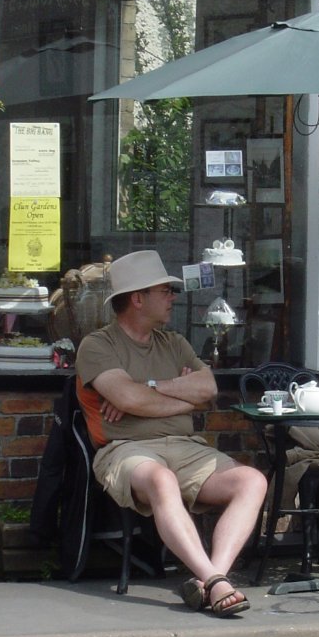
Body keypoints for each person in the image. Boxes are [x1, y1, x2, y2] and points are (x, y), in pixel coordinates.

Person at [75, 250, 267, 617]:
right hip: (126, 450)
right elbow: (128, 398)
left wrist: (150, 387)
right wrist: (179, 395)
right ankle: (215, 581)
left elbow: (208, 389)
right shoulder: (98, 345)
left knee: (252, 481)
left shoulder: (174, 342)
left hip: (186, 447)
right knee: (161, 480)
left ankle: (211, 579)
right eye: (165, 290)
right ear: (137, 298)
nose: (173, 297)